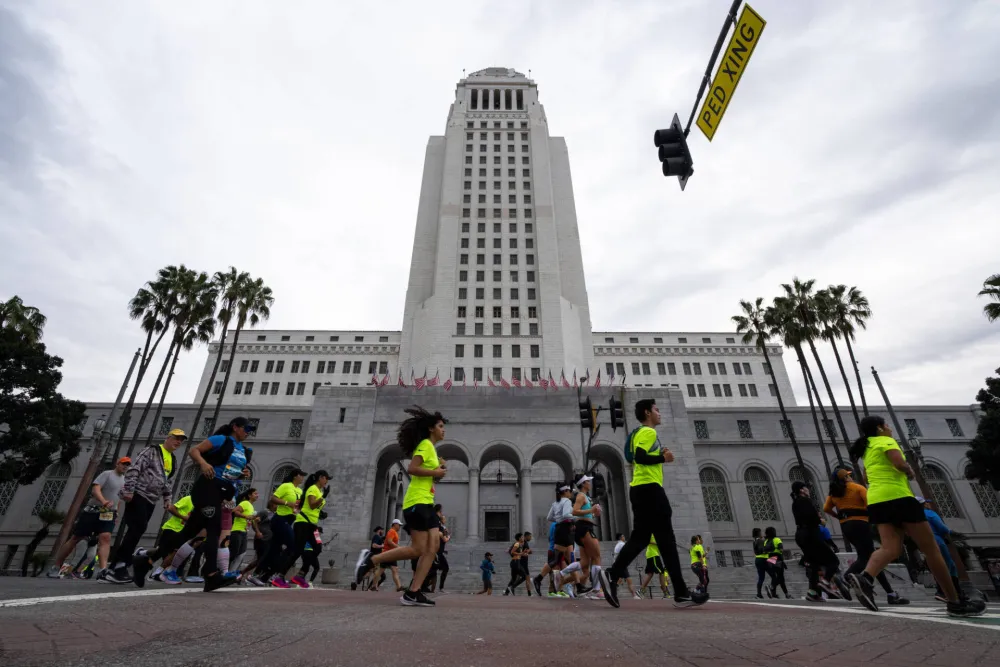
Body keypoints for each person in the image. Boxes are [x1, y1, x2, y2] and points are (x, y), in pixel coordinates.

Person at [846, 415, 985, 617]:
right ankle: (955, 601)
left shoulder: (866, 449)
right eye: (886, 424)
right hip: (899, 497)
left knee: (889, 549)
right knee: (932, 550)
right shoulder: (886, 441)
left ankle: (866, 577)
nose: (889, 428)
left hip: (876, 500)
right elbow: (898, 462)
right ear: (879, 428)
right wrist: (909, 470)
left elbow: (867, 477)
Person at [600, 398, 708, 609]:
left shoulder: (642, 434)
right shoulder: (648, 432)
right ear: (647, 413)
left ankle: (612, 574)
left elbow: (639, 457)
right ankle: (681, 593)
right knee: (666, 541)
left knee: (641, 539)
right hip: (650, 491)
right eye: (657, 410)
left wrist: (658, 454)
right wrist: (663, 459)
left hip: (641, 490)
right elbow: (640, 458)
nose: (660, 413)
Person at [132, 417, 254, 592]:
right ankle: (211, 575)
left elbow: (230, 469)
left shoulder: (242, 449)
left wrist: (242, 474)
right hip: (208, 488)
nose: (248, 433)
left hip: (222, 492)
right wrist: (203, 464)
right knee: (214, 530)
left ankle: (146, 561)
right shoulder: (222, 439)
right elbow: (194, 451)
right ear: (235, 427)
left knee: (187, 534)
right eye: (246, 429)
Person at [370, 406, 448, 607]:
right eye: (441, 426)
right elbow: (413, 468)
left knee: (424, 549)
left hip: (423, 502)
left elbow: (425, 476)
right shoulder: (425, 444)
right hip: (418, 502)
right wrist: (436, 473)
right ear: (431, 428)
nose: (444, 430)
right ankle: (411, 589)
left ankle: (411, 591)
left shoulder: (431, 448)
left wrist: (437, 470)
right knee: (427, 548)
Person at [823, 466, 908, 605]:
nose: (851, 477)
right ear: (845, 477)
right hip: (861, 524)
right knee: (866, 557)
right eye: (848, 475)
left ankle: (890, 593)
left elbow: (826, 508)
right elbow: (871, 504)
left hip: (846, 526)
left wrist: (838, 516)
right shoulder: (858, 488)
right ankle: (845, 580)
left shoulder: (834, 494)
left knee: (872, 558)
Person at [109, 429, 185, 583]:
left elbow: (166, 481)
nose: (178, 442)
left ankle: (120, 565)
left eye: (181, 440)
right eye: (176, 438)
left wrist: (167, 499)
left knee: (138, 529)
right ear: (168, 438)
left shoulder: (172, 459)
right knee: (138, 527)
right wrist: (129, 490)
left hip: (151, 499)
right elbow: (135, 468)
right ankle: (118, 565)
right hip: (138, 494)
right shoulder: (152, 451)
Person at [48, 457, 129, 581]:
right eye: (123, 464)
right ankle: (56, 566)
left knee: (105, 538)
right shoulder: (107, 474)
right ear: (118, 464)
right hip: (93, 510)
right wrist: (103, 501)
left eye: (127, 465)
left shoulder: (124, 480)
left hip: (108, 514)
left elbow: (118, 499)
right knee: (76, 538)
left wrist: (116, 512)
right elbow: (95, 489)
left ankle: (103, 571)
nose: (125, 467)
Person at [791, 480, 845, 602]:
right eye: (806, 487)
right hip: (810, 534)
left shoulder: (795, 503)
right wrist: (819, 520)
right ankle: (825, 582)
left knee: (814, 565)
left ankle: (812, 592)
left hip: (801, 535)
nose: (808, 489)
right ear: (801, 490)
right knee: (833, 561)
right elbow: (811, 518)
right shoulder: (805, 501)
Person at [259, 468, 305, 588]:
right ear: (295, 476)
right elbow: (273, 498)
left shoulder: (299, 491)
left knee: (275, 549)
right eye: (301, 475)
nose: (303, 478)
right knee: (292, 546)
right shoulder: (286, 486)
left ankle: (264, 575)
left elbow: (299, 506)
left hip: (290, 520)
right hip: (280, 519)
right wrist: (286, 503)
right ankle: (277, 576)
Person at [283, 470, 330, 588]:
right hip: (303, 523)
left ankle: (301, 574)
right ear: (320, 477)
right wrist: (323, 497)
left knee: (318, 547)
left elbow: (315, 508)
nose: (327, 481)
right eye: (326, 478)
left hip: (313, 525)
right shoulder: (312, 488)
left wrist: (321, 513)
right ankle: (280, 575)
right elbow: (312, 504)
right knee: (298, 550)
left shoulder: (318, 491)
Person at [917, 496, 965, 602]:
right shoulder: (930, 514)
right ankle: (950, 592)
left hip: (924, 542)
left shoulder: (914, 516)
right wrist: (952, 533)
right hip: (937, 540)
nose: (928, 504)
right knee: (948, 565)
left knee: (936, 565)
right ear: (924, 504)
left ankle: (945, 591)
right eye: (926, 502)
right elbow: (942, 528)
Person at [571, 474, 603, 598]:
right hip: (584, 528)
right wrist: (591, 511)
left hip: (584, 527)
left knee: (585, 563)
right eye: (588, 481)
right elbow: (574, 511)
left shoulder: (586, 497)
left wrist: (594, 513)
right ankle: (596, 589)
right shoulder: (581, 495)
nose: (590, 483)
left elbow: (587, 513)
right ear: (583, 484)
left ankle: (574, 585)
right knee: (597, 557)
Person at [230, 487, 258, 575]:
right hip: (237, 530)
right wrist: (245, 516)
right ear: (249, 495)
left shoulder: (251, 507)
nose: (257, 495)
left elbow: (250, 520)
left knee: (241, 553)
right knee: (234, 553)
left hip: (244, 532)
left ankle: (232, 572)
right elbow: (234, 511)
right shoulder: (245, 503)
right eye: (255, 494)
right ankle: (223, 571)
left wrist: (257, 530)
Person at [763, 526, 790, 598]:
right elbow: (781, 548)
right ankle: (771, 587)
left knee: (776, 577)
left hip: (769, 560)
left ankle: (783, 594)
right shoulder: (777, 539)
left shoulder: (766, 541)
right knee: (781, 577)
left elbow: (764, 550)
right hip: (777, 559)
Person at [613, 533, 640, 600]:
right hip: (621, 565)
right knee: (629, 580)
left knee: (618, 581)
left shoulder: (618, 544)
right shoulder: (622, 544)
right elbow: (628, 551)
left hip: (618, 565)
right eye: (623, 536)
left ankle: (611, 592)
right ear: (620, 537)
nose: (624, 537)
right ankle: (634, 595)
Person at [752, 528, 769, 598]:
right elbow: (763, 550)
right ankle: (771, 588)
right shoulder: (760, 541)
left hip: (758, 560)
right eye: (760, 532)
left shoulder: (754, 541)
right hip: (764, 559)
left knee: (761, 577)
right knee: (774, 575)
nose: (762, 533)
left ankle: (759, 594)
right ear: (759, 533)